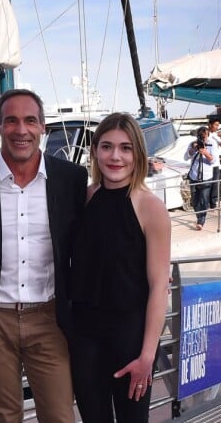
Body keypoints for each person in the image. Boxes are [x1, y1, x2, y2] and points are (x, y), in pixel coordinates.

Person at [0, 89, 87, 423]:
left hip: (49, 318)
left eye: (30, 120)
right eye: (11, 120)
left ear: (43, 127)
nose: (21, 130)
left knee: (60, 416)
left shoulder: (71, 178)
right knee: (4, 416)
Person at [70, 112, 171, 423]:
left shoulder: (150, 206)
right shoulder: (87, 197)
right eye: (107, 146)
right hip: (85, 336)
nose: (115, 156)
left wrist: (147, 356)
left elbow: (159, 286)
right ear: (95, 151)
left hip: (129, 337)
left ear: (137, 154)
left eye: (126, 148)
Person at [185, 125, 215, 231]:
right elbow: (186, 157)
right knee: (194, 200)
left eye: (205, 136)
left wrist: (206, 153)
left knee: (204, 199)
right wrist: (193, 149)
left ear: (208, 135)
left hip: (206, 177)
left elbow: (213, 161)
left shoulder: (212, 143)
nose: (204, 138)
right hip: (194, 176)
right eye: (202, 136)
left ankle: (201, 221)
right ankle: (199, 217)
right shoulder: (193, 144)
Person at [207, 116, 221, 209]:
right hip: (206, 164)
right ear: (210, 125)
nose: (217, 127)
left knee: (215, 184)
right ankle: (206, 202)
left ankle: (213, 203)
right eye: (216, 125)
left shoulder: (216, 135)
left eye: (218, 125)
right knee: (206, 184)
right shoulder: (205, 134)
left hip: (215, 164)